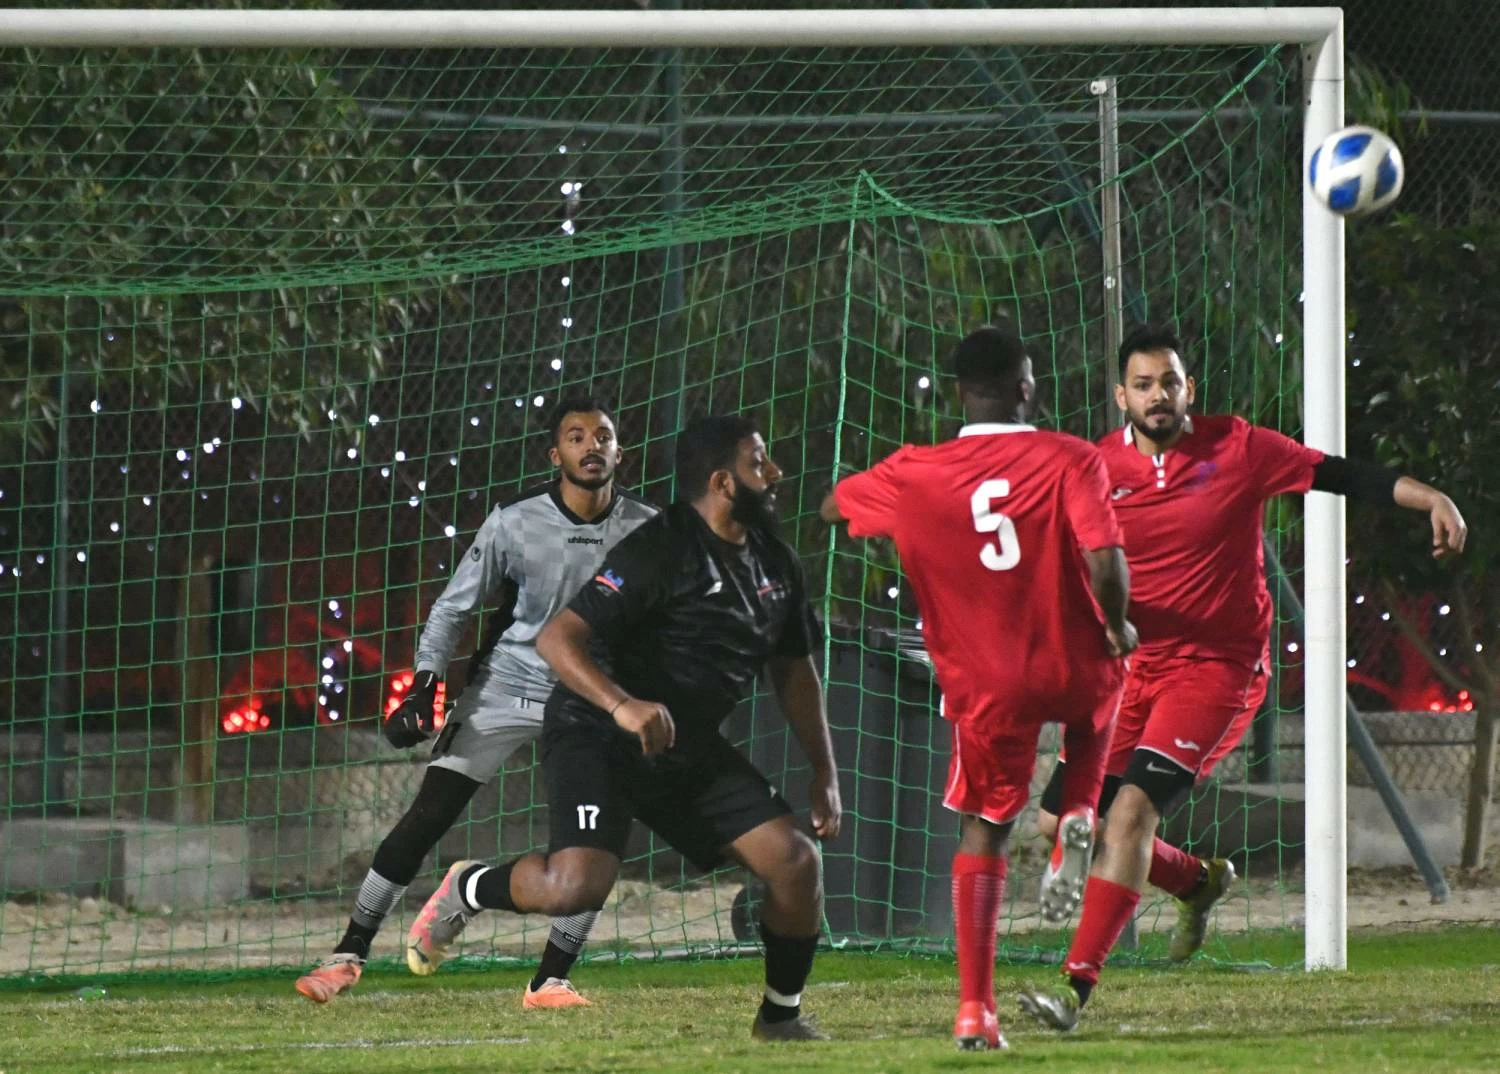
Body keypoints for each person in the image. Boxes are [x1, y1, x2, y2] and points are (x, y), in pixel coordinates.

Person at [1021, 324, 1469, 1032]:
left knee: (1131, 813)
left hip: (1217, 672)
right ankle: (1198, 882)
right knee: (1057, 821)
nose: (1158, 396)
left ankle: (1074, 991)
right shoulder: (1097, 468)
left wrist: (1431, 498)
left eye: (1169, 382)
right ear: (1121, 397)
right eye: (1143, 385)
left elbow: (1339, 474)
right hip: (1131, 672)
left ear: (1187, 388)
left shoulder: (1241, 447)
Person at [406, 414, 842, 1042]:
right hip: (596, 728)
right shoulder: (660, 547)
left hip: (679, 744)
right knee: (575, 887)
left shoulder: (775, 561)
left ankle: (780, 1016)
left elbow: (795, 673)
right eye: (759, 462)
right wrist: (622, 706)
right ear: (722, 482)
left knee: (797, 863)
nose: (774, 474)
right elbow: (559, 639)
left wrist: (824, 773)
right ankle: (468, 886)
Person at [820, 325, 1137, 1052]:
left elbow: (835, 509)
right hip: (1070, 665)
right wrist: (1117, 623)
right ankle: (1076, 815)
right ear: (1026, 385)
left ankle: (975, 1009)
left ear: (960, 391)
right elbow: (1105, 561)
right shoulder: (1071, 456)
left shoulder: (913, 471)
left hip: (986, 684)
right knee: (1111, 678)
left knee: (983, 828)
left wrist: (910, 520)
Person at [294, 396, 658, 1008]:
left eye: (603, 436)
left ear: (621, 452)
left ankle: (549, 979)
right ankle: (347, 954)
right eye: (576, 437)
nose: (591, 446)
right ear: (556, 454)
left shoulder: (648, 529)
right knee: (429, 815)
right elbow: (452, 607)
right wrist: (424, 684)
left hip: (594, 698)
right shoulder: (514, 523)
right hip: (506, 688)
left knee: (593, 847)